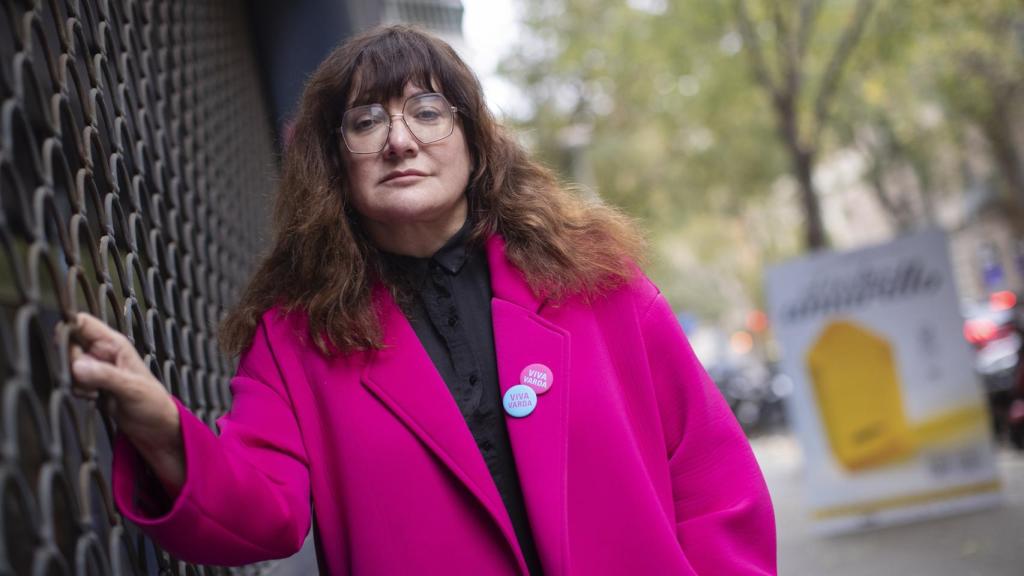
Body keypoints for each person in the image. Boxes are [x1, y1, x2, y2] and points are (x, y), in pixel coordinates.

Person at [69, 25, 775, 575]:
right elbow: (263, 513)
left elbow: (715, 477)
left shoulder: (596, 279)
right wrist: (163, 428)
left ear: (474, 140)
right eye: (366, 121)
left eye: (428, 111)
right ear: (335, 164)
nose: (400, 140)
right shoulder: (295, 338)